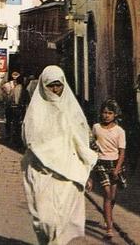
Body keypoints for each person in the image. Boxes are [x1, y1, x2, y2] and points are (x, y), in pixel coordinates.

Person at [21, 65, 97, 244]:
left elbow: (82, 143)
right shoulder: (35, 112)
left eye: (58, 85)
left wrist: (87, 174)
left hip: (70, 175)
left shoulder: (73, 110)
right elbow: (30, 140)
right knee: (45, 219)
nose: (55, 90)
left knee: (66, 222)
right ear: (42, 86)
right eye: (50, 86)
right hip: (43, 172)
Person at [88, 100, 126, 240]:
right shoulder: (96, 128)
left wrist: (117, 169)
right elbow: (91, 148)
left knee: (113, 196)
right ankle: (109, 228)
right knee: (107, 193)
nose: (106, 116)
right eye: (104, 112)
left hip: (115, 164)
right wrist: (90, 174)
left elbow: (122, 152)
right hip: (101, 164)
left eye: (110, 113)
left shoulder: (119, 131)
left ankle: (107, 215)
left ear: (115, 115)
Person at [2, 70, 21, 139]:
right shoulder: (8, 85)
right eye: (14, 78)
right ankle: (8, 134)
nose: (15, 80)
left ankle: (14, 134)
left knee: (16, 121)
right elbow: (3, 93)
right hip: (9, 105)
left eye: (16, 78)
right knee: (8, 120)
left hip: (16, 106)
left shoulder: (20, 86)